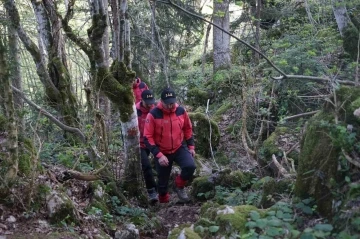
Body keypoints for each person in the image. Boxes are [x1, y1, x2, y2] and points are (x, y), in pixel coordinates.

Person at [144, 88, 196, 203]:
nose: (170, 106)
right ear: (161, 101)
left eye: (172, 102)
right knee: (162, 183)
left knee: (190, 166)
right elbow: (147, 137)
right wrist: (158, 154)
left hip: (178, 147)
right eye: (167, 103)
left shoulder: (181, 111)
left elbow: (188, 128)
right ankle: (163, 203)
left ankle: (179, 185)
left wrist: (191, 146)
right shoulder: (153, 114)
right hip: (162, 151)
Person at [136, 90, 158, 202]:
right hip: (140, 143)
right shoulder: (135, 111)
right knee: (146, 165)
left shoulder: (155, 110)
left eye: (151, 102)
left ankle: (161, 188)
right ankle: (151, 191)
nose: (150, 104)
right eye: (147, 102)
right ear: (142, 100)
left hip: (153, 142)